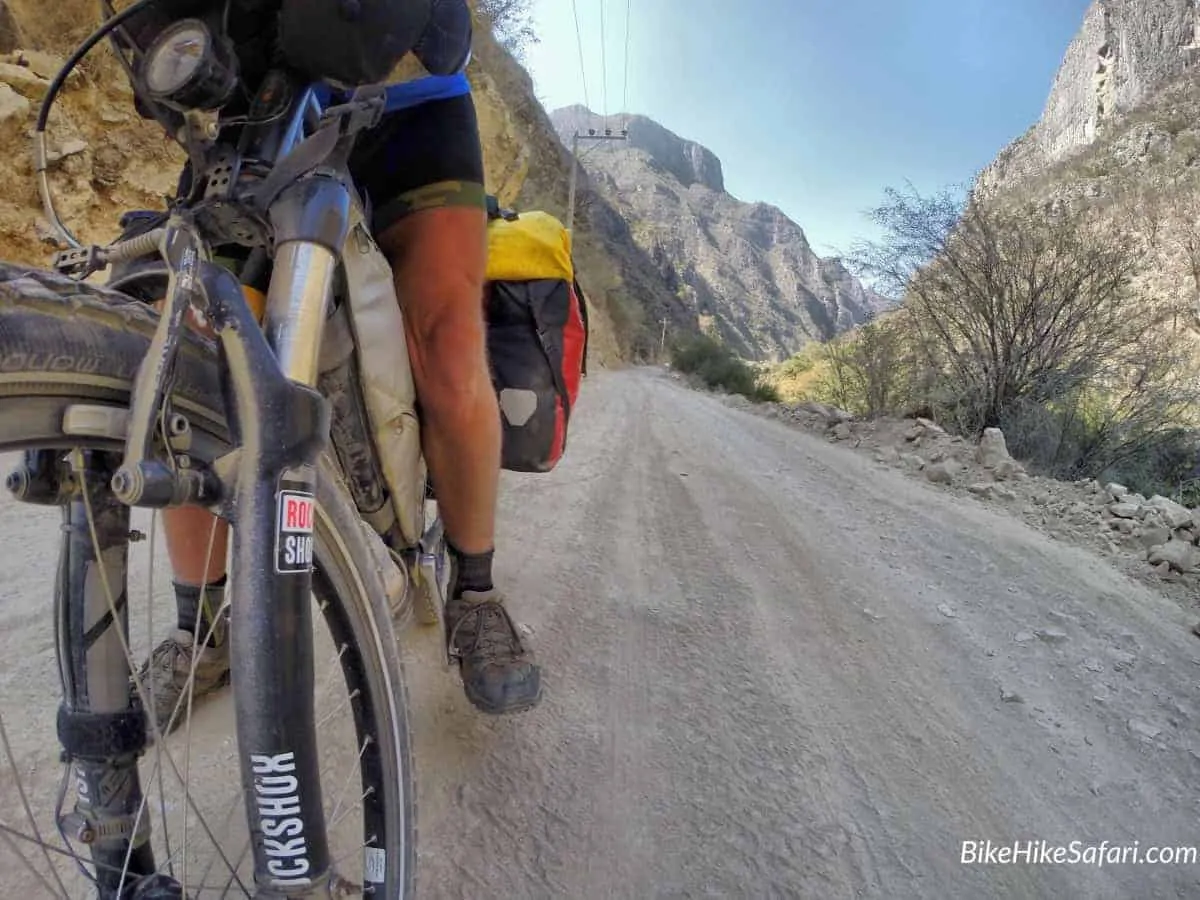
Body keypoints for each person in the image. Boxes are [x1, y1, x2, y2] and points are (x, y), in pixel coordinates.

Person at [128, 0, 543, 730]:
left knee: (447, 339)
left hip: (414, 97)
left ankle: (475, 594)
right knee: (193, 352)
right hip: (263, 102)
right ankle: (203, 627)